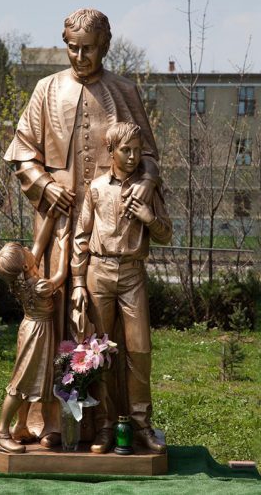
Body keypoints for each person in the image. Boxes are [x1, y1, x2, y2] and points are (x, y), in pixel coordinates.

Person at [4, 8, 161, 444]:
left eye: (87, 48)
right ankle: (50, 424)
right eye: (71, 47)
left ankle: (115, 424)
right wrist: (44, 183)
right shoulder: (46, 89)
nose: (79, 56)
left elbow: (148, 156)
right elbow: (20, 152)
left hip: (111, 226)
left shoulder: (123, 91)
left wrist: (146, 183)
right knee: (52, 318)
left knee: (109, 331)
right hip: (57, 224)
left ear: (105, 46)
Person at [71, 122, 172, 454]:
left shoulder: (146, 190)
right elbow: (81, 238)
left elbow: (166, 234)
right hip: (99, 273)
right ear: (110, 151)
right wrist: (77, 282)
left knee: (140, 351)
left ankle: (141, 424)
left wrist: (148, 216)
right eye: (124, 150)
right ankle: (105, 425)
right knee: (100, 354)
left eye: (136, 151)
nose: (131, 157)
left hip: (132, 275)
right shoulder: (97, 188)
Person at [0, 207, 70, 453]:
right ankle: (1, 431)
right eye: (25, 252)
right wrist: (65, 245)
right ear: (26, 266)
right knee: (21, 383)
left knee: (29, 382)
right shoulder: (41, 286)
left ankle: (21, 425)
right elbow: (61, 274)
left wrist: (51, 215)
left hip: (29, 329)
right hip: (37, 334)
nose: (29, 249)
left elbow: (38, 243)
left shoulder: (24, 279)